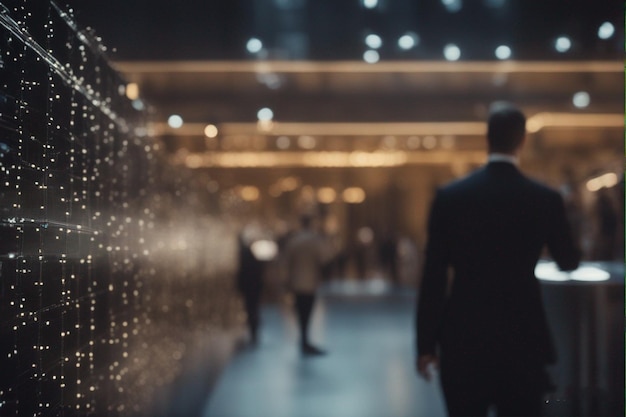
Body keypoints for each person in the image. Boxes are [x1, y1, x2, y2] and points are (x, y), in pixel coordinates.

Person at [415, 103, 581, 417]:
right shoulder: (545, 198)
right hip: (523, 337)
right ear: (522, 141)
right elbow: (568, 261)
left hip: (463, 337)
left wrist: (425, 345)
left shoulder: (450, 197)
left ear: (486, 139)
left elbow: (433, 275)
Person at [283, 214, 331, 355]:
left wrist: (287, 281)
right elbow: (325, 259)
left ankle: (303, 339)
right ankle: (304, 340)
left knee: (300, 312)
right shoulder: (314, 241)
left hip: (297, 282)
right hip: (310, 282)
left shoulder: (294, 241)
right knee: (307, 312)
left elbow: (286, 262)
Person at [236, 227, 265, 346]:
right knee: (253, 309)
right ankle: (254, 332)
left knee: (251, 309)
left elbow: (243, 272)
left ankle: (253, 332)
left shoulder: (244, 253)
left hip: (250, 286)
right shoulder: (249, 252)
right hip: (253, 286)